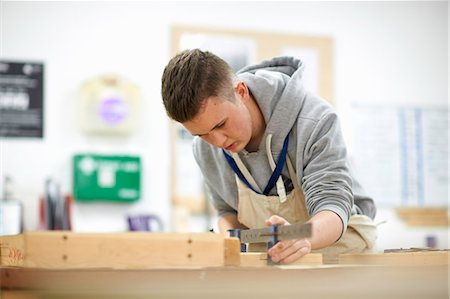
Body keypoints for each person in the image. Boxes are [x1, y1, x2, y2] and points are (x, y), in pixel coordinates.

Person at [161, 49, 377, 264]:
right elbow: (228, 211)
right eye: (201, 134)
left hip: (339, 258)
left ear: (241, 92)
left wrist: (301, 236)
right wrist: (228, 237)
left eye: (221, 125)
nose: (218, 142)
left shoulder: (314, 121)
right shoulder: (204, 149)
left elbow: (332, 206)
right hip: (269, 267)